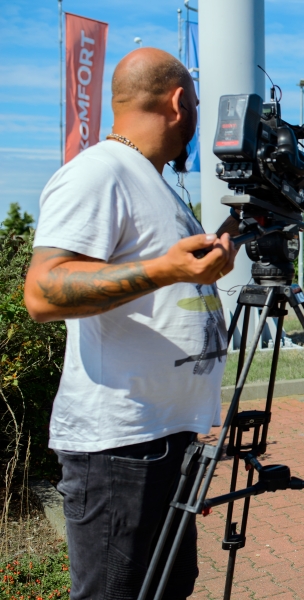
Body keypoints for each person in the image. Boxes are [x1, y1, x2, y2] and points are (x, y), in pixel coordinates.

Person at [24, 48, 237, 599]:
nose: (195, 120)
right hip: (120, 448)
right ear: (178, 103)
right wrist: (168, 268)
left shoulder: (154, 181)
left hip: (167, 436)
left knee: (170, 587)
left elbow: (162, 282)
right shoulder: (99, 172)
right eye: (195, 106)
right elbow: (43, 291)